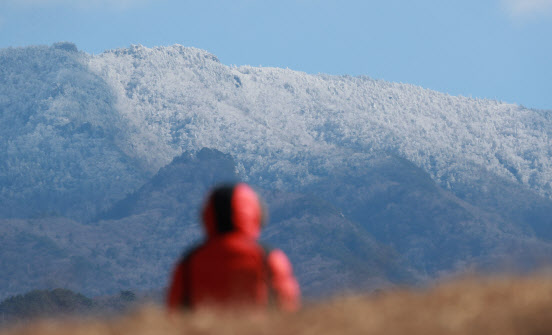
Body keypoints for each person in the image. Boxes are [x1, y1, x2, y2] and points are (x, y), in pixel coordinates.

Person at [167, 182, 300, 312]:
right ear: (257, 216)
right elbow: (287, 309)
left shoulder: (189, 263)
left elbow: (175, 313)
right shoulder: (269, 259)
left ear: (207, 217)